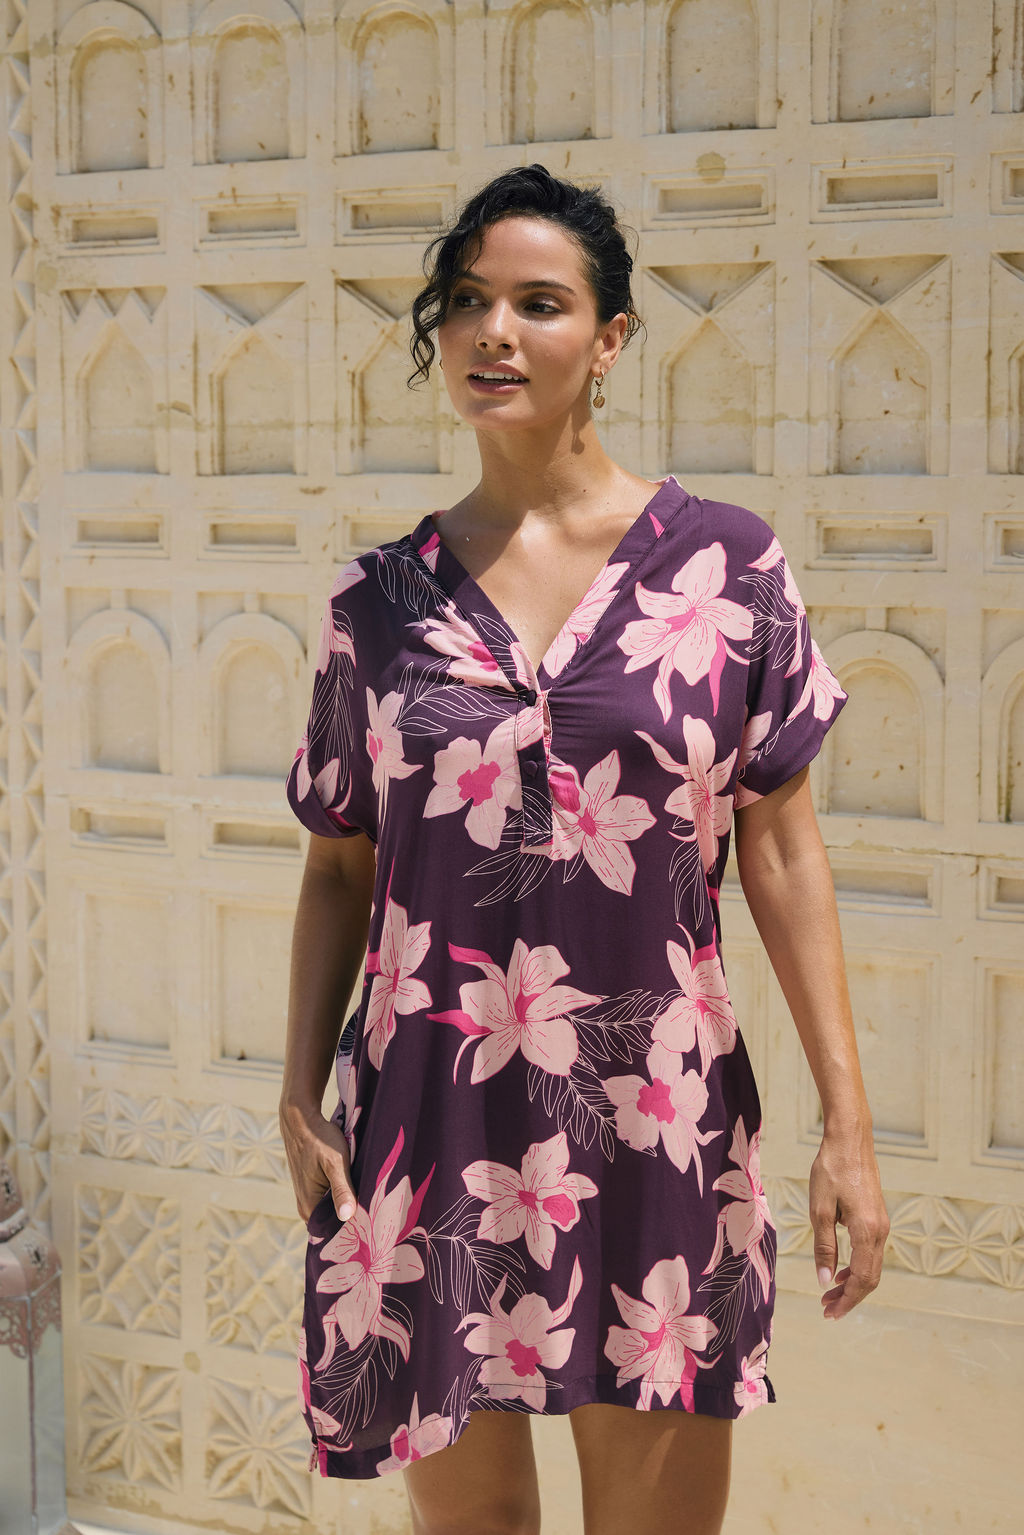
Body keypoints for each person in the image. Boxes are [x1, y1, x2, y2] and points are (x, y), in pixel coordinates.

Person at [279, 163, 889, 1535]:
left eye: (539, 304)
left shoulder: (727, 570)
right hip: (432, 1116)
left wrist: (851, 1131)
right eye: (468, 302)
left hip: (653, 1116)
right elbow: (335, 862)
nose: (496, 332)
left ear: (609, 338)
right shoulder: (375, 606)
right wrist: (296, 1093)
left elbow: (783, 851)